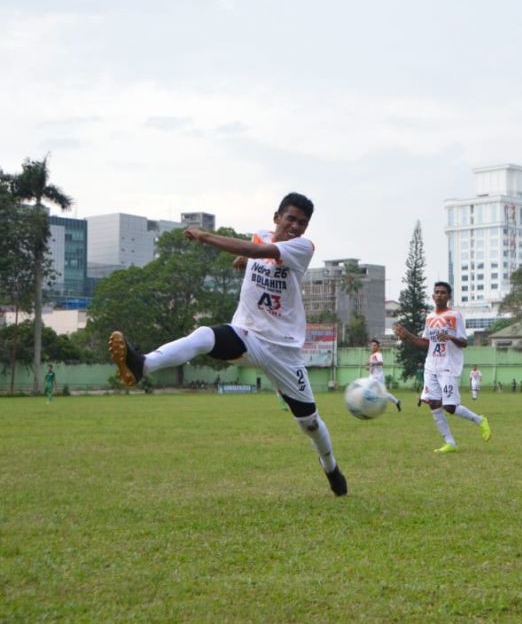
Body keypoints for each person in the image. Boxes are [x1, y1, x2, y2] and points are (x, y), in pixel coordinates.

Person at [108, 193, 347, 496]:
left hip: (283, 350)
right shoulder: (260, 236)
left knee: (309, 422)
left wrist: (207, 237)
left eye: (303, 222)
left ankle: (331, 468)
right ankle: (142, 364)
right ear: (277, 217)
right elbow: (257, 249)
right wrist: (247, 257)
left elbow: (260, 250)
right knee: (204, 336)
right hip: (246, 335)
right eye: (291, 219)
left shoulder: (303, 247)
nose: (296, 227)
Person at [394, 281, 491, 453]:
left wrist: (450, 337)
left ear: (449, 297)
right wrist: (407, 336)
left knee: (450, 407)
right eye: (437, 292)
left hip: (448, 366)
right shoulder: (430, 318)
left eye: (443, 292)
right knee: (433, 403)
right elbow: (426, 344)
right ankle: (450, 442)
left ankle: (480, 420)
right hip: (431, 365)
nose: (439, 295)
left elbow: (464, 342)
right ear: (432, 296)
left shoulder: (455, 315)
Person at [368, 339, 401, 411]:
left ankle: (373, 407)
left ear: (378, 347)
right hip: (372, 376)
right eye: (372, 345)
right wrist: (369, 367)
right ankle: (396, 401)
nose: (373, 347)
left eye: (375, 345)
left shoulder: (378, 354)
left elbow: (381, 363)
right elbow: (372, 367)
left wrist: (372, 364)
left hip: (377, 377)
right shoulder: (372, 355)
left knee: (370, 390)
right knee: (383, 393)